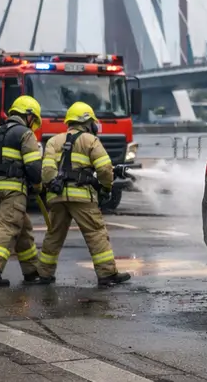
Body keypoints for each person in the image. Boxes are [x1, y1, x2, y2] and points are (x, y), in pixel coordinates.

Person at [36, 102, 131, 286]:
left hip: (57, 198)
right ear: (88, 122)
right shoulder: (90, 140)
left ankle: (44, 274)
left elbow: (47, 172)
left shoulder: (54, 141)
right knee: (96, 233)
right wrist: (105, 188)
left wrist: (52, 188)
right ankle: (107, 274)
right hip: (82, 197)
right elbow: (104, 168)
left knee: (54, 235)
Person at [0, 95, 44, 287]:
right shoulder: (26, 135)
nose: (33, 125)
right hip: (13, 192)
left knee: (23, 228)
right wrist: (37, 187)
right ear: (28, 115)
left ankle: (31, 272)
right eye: (34, 120)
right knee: (7, 228)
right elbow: (33, 168)